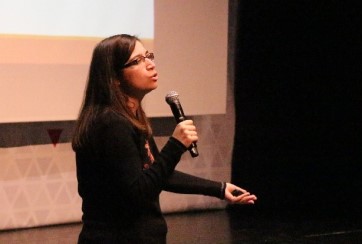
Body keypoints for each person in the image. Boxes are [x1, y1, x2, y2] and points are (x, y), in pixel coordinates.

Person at [72, 34, 257, 244]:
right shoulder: (110, 124)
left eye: (148, 56)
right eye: (138, 61)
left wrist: (220, 188)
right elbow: (138, 192)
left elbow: (158, 173)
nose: (150, 64)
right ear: (114, 78)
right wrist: (176, 145)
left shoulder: (131, 118)